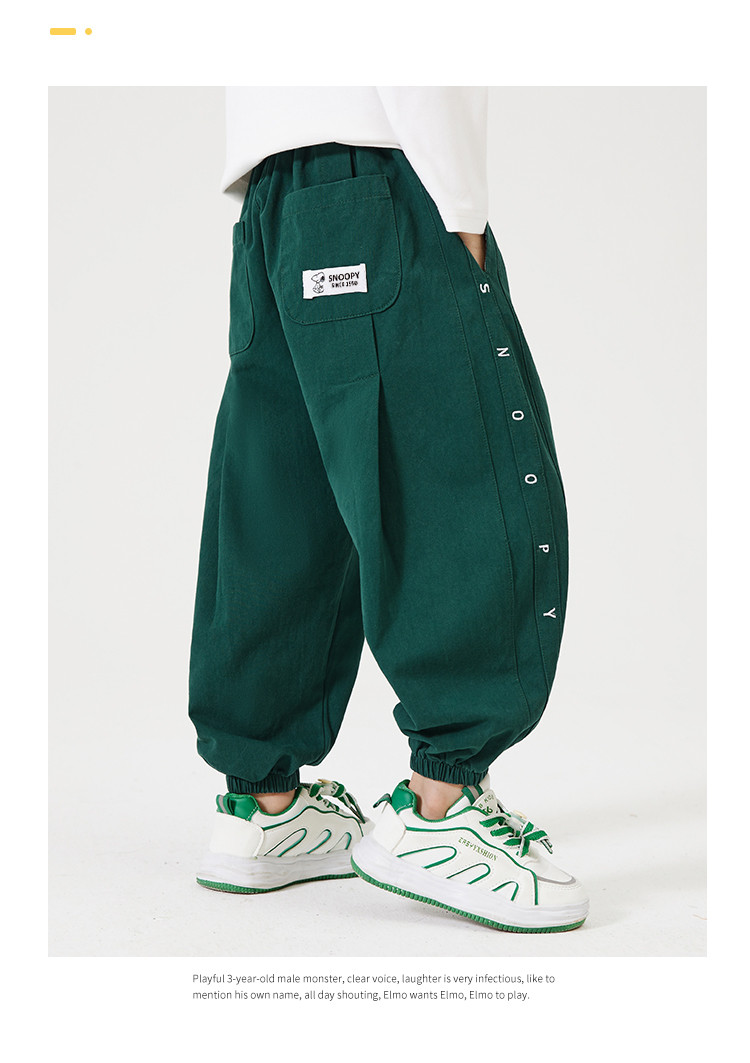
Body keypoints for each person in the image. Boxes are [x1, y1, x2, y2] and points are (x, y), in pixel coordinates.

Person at [188, 87, 589, 932]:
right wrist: (459, 205)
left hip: (273, 195)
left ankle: (264, 807)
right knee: (458, 473)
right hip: (386, 169)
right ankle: (440, 809)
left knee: (283, 492)